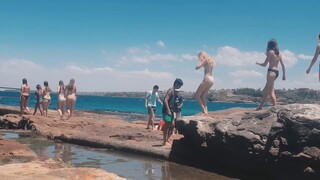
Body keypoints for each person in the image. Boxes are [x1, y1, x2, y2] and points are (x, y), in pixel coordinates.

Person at [256, 39, 286, 111]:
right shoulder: (279, 54)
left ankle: (275, 107)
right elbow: (283, 65)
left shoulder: (270, 52)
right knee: (266, 90)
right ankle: (260, 106)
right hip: (276, 72)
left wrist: (257, 63)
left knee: (271, 91)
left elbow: (264, 64)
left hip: (271, 72)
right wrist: (284, 75)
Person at [162, 78, 183, 146]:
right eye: (179, 85)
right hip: (167, 111)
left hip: (171, 111)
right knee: (167, 126)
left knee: (172, 125)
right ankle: (164, 141)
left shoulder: (174, 92)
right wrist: (168, 110)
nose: (179, 87)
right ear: (176, 84)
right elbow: (165, 100)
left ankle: (168, 139)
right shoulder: (171, 90)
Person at [194, 51, 216, 115]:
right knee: (203, 96)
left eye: (199, 56)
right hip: (212, 79)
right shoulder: (211, 61)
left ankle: (204, 111)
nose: (198, 58)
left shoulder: (205, 60)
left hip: (207, 79)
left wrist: (200, 60)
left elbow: (197, 67)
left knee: (197, 96)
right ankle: (206, 111)